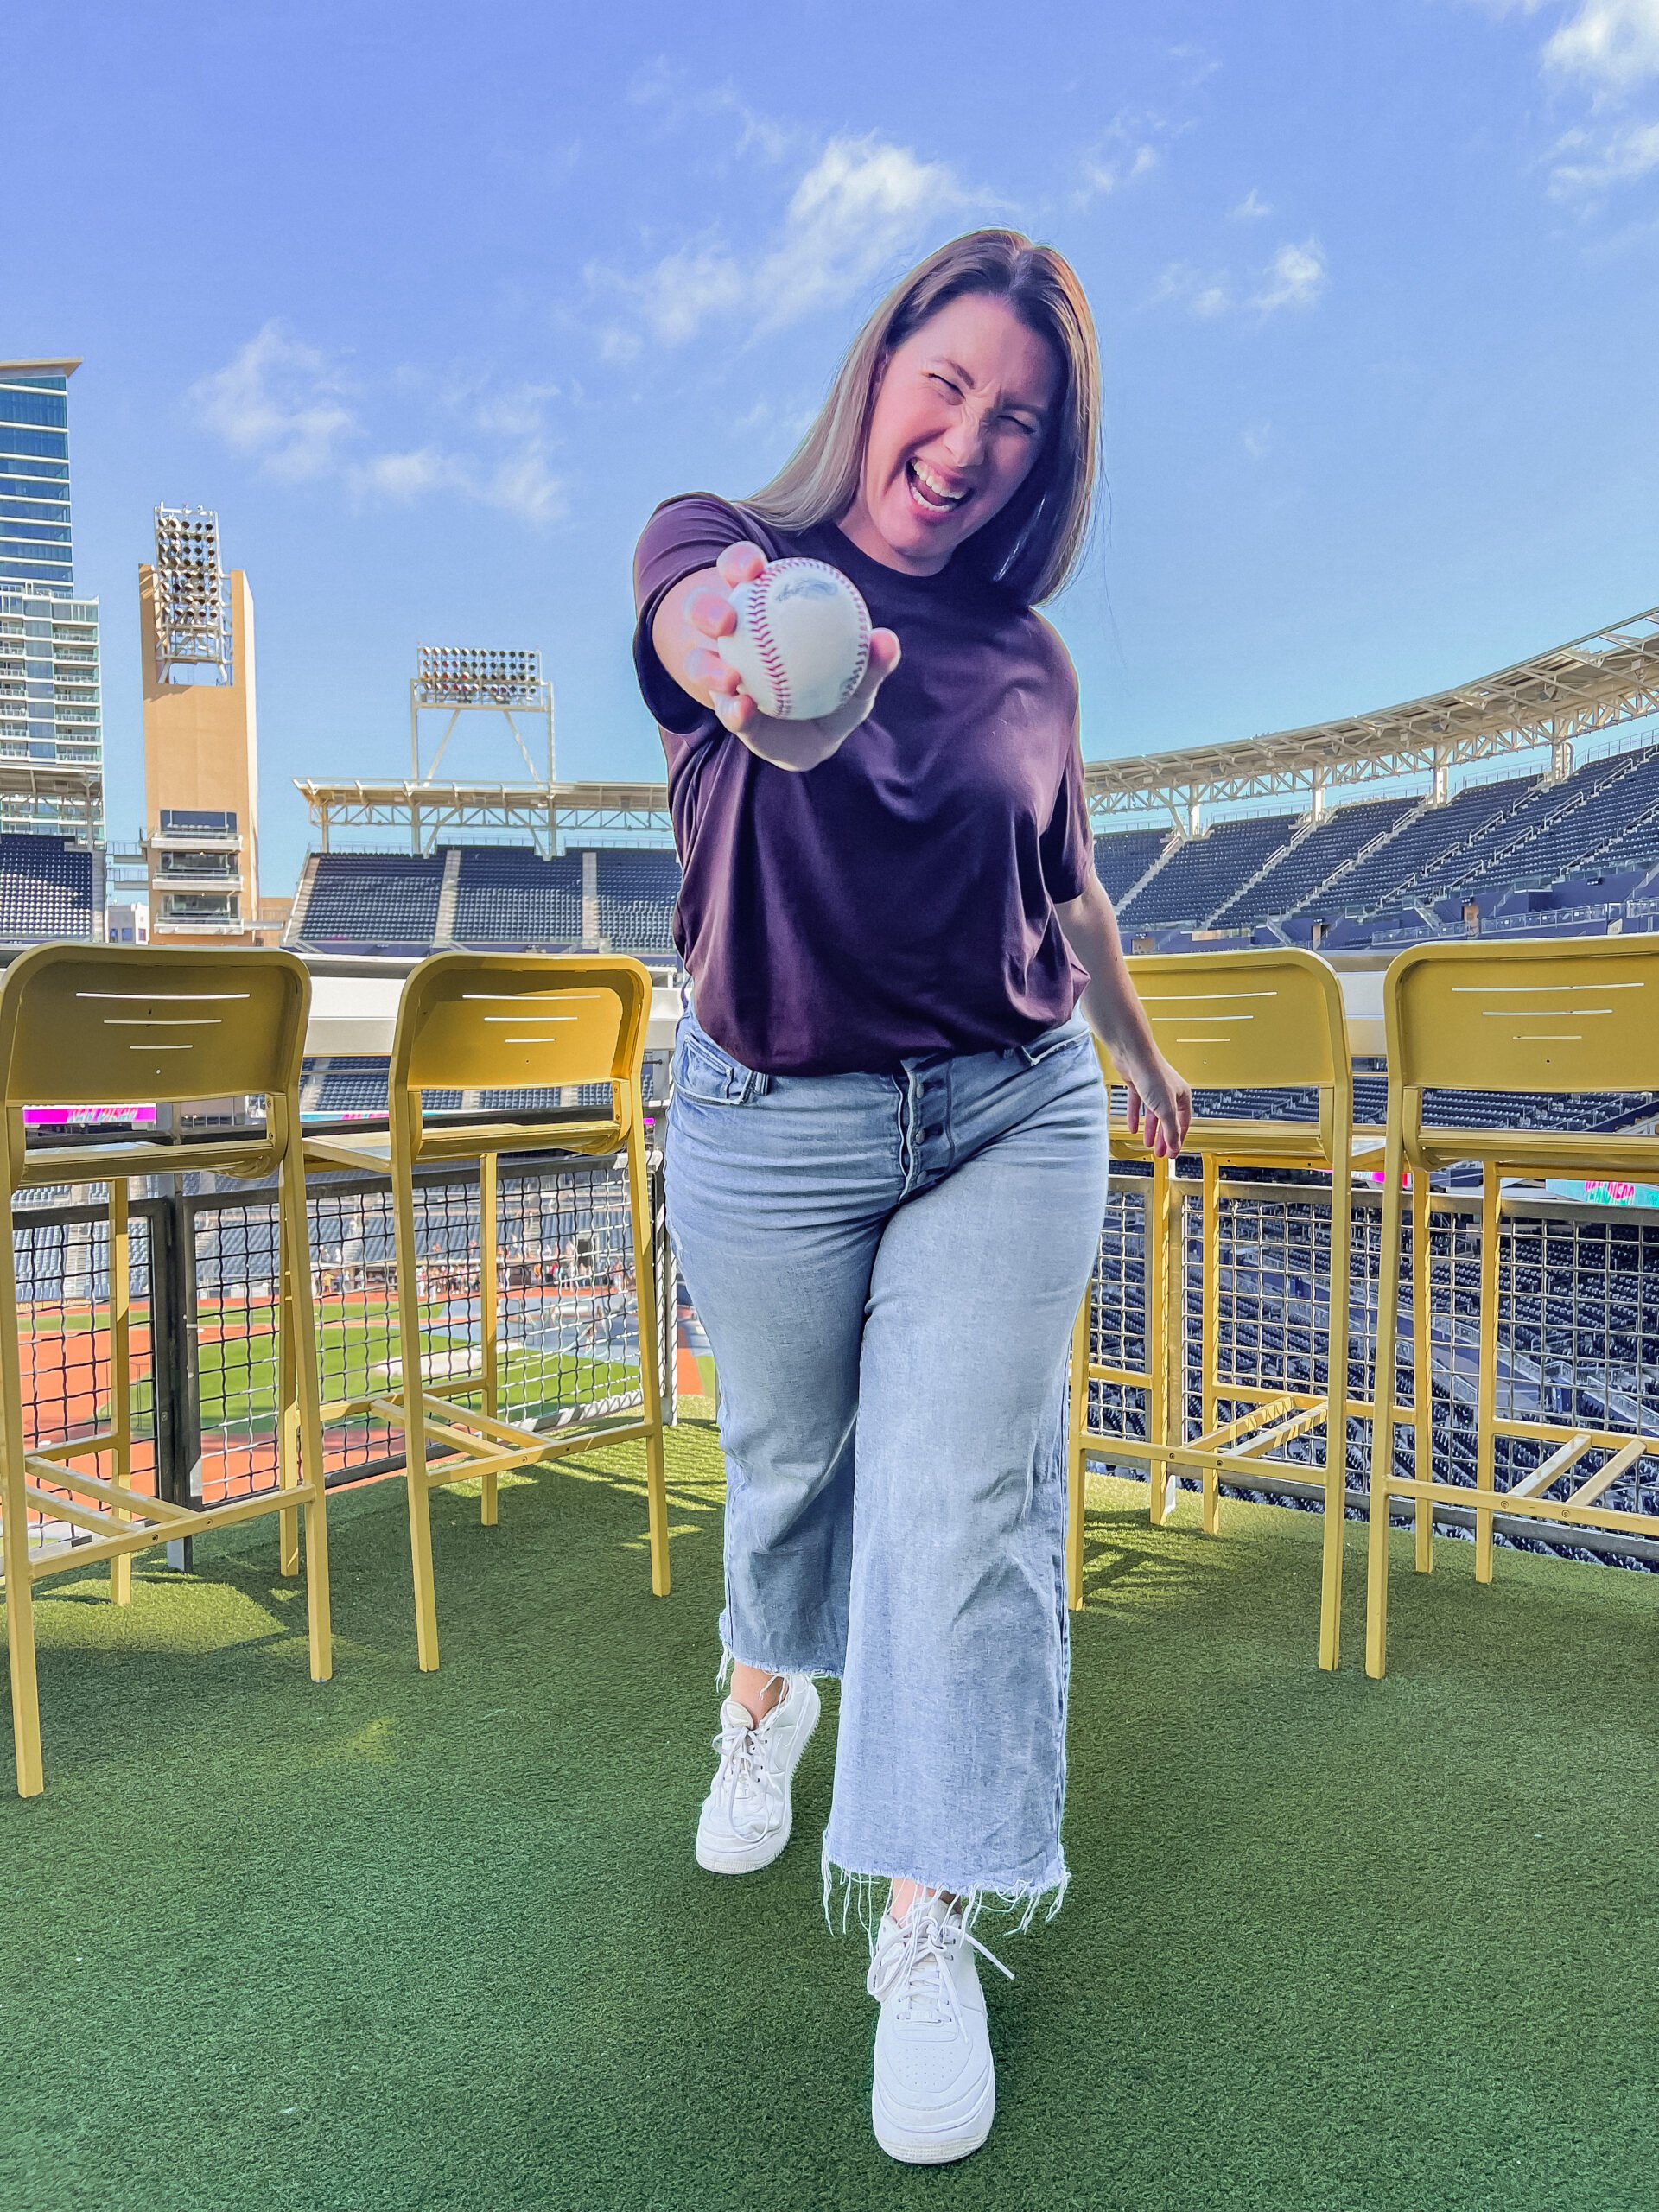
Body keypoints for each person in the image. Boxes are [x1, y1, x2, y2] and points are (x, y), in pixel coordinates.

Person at [631, 227, 1190, 2167]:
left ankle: (927, 1915)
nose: (968, 440)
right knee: (792, 1471)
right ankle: (762, 1694)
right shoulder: (727, 553)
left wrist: (1135, 1048)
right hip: (768, 1113)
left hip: (1010, 1109)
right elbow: (700, 635)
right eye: (944, 383)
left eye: (1017, 420)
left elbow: (1073, 889)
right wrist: (747, 653)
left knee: (962, 1497)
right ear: (879, 375)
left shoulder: (1029, 664)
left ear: (1046, 464)